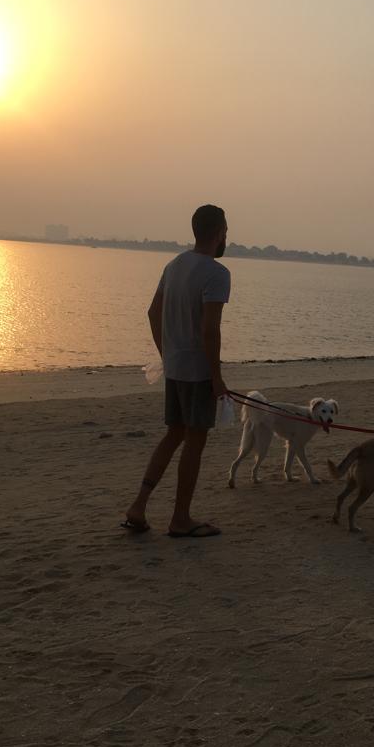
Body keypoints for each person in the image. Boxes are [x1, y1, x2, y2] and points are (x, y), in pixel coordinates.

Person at [123, 204, 230, 537]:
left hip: (175, 368)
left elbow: (153, 314)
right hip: (197, 372)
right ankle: (180, 519)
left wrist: (167, 353)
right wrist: (217, 377)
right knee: (193, 443)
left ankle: (138, 505)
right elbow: (210, 330)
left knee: (174, 435)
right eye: (226, 230)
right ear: (219, 233)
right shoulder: (216, 273)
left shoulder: (173, 266)